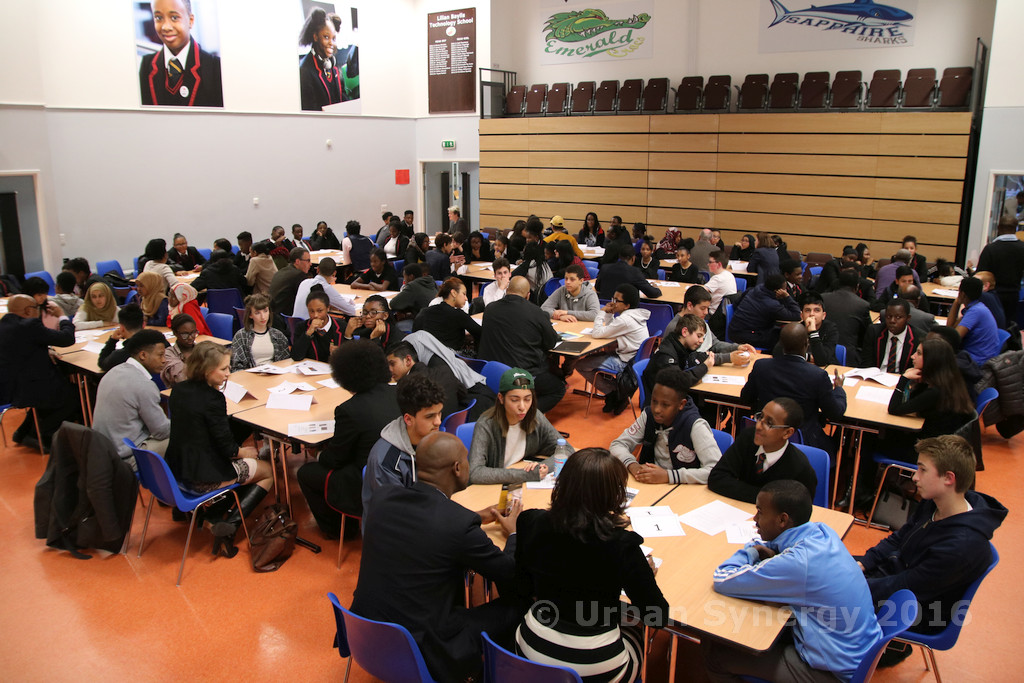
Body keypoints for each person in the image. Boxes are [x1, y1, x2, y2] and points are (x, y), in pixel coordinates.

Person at [352, 431, 518, 681]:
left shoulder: (382, 499)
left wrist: (474, 516)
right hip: (426, 647)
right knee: (518, 605)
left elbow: (426, 520)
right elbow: (508, 570)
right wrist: (513, 533)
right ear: (457, 468)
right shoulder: (457, 524)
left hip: (365, 634)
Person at [514, 447, 668, 682]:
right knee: (635, 632)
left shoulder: (530, 521)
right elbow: (656, 616)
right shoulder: (622, 546)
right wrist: (642, 575)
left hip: (531, 649)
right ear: (615, 495)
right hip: (596, 665)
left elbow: (523, 588)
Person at [703, 480, 881, 682]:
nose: (755, 519)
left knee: (717, 657)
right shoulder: (822, 531)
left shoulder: (798, 563)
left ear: (782, 519)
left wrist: (752, 551)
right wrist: (769, 550)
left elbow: (723, 578)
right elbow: (781, 548)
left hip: (831, 673)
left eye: (760, 512)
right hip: (856, 653)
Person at [857, 435, 1006, 658]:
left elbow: (907, 587)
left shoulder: (961, 547)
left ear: (948, 478)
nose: (915, 477)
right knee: (828, 570)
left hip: (919, 610)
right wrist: (864, 563)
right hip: (899, 576)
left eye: (923, 470)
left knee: (825, 599)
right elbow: (900, 537)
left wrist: (854, 586)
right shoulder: (936, 500)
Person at [165, 342, 273, 557]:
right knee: (268, 471)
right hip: (202, 477)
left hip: (175, 471)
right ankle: (227, 526)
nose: (228, 373)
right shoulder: (213, 398)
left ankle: (212, 513)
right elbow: (228, 449)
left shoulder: (178, 390)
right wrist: (244, 452)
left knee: (239, 434)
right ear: (206, 370)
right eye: (223, 369)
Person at [297, 341, 400, 539]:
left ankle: (336, 530)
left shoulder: (349, 410)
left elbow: (335, 459)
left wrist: (317, 453)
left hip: (367, 479)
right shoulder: (398, 392)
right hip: (399, 469)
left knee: (306, 473)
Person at [742, 322, 846, 454]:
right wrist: (839, 389)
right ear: (806, 344)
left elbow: (745, 398)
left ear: (781, 344)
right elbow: (835, 413)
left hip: (764, 436)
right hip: (802, 443)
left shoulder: (761, 366)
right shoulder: (817, 376)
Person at [612, 366, 722, 484]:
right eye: (654, 401)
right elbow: (617, 445)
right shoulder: (648, 416)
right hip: (653, 486)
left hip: (684, 488)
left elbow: (716, 471)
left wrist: (669, 476)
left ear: (681, 404)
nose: (657, 409)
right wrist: (632, 465)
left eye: (665, 405)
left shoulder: (696, 426)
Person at [875, 339, 976, 465]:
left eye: (919, 353)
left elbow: (894, 409)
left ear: (932, 359)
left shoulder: (935, 392)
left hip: (928, 453)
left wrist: (904, 379)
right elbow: (911, 402)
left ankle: (866, 477)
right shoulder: (947, 381)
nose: (913, 356)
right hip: (934, 444)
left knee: (870, 439)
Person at [361, 374, 447, 519]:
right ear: (408, 419)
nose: (438, 422)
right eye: (430, 416)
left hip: (429, 515)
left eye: (439, 413)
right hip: (396, 527)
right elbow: (397, 515)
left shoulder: (435, 440)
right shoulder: (385, 460)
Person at [0, 294, 78, 449]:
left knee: (51, 394)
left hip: (9, 387)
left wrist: (45, 349)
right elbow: (67, 338)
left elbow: (20, 346)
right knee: (75, 395)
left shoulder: (4, 324)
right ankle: (39, 433)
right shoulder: (30, 325)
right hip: (31, 386)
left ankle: (22, 431)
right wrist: (62, 316)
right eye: (36, 308)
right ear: (28, 310)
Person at [478, 276, 566, 413]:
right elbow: (550, 343)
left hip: (492, 371)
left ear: (507, 290)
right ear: (528, 295)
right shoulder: (536, 312)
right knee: (558, 388)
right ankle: (525, 414)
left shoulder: (490, 309)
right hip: (523, 373)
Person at [467, 367, 565, 484]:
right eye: (515, 400)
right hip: (494, 486)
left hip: (519, 481)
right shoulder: (486, 424)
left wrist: (544, 467)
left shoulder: (534, 416)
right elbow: (475, 472)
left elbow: (565, 450)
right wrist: (525, 474)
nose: (522, 407)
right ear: (501, 398)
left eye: (527, 399)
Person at [708, 399, 817, 503]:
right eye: (760, 417)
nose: (759, 426)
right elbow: (716, 478)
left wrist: (740, 489)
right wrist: (768, 498)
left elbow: (800, 507)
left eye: (769, 423)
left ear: (787, 433)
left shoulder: (800, 469)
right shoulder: (748, 438)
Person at [92, 329, 171, 469]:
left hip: (102, 453)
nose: (164, 360)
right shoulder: (143, 385)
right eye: (160, 355)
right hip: (126, 458)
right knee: (185, 435)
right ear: (143, 355)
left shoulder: (113, 371)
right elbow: (161, 431)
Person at [574, 284, 651, 409]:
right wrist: (609, 314)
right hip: (634, 358)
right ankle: (615, 390)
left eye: (617, 300)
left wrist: (601, 312)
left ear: (627, 305)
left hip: (625, 362)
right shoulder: (635, 315)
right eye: (613, 299)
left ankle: (613, 391)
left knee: (580, 365)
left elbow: (597, 333)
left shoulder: (625, 320)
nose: (613, 303)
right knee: (593, 358)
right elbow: (612, 329)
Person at [139, 0, 223, 107]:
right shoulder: (147, 65)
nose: (166, 27)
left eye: (174, 17)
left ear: (190, 21)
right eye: (158, 18)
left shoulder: (215, 67)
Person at [728, 273, 800, 349]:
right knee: (786, 338)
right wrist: (787, 297)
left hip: (735, 330)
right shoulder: (772, 305)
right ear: (777, 291)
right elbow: (797, 315)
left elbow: (735, 304)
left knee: (778, 331)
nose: (786, 291)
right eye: (784, 289)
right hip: (746, 336)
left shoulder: (754, 289)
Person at [772, 291, 839, 367]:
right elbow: (777, 353)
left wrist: (813, 332)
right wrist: (808, 357)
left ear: (823, 315)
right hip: (799, 366)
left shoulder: (831, 329)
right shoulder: (796, 329)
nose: (812, 314)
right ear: (802, 315)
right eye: (808, 310)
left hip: (826, 369)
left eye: (817, 310)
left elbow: (822, 361)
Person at [413, 277, 481, 351]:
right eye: (464, 294)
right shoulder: (458, 315)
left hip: (427, 353)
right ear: (454, 293)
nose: (466, 298)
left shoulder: (425, 311)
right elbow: (481, 332)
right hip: (451, 356)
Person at [821, 268, 872, 367]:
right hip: (849, 357)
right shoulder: (862, 305)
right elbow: (867, 334)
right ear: (857, 286)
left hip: (821, 350)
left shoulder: (822, 298)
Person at [976, 217, 1024, 321]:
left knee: (993, 323)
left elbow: (980, 275)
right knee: (1009, 325)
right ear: (1015, 229)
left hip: (992, 296)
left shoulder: (990, 249)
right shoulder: (1022, 248)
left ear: (999, 228)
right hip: (1014, 295)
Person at [947, 277, 1002, 366]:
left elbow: (954, 338)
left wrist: (957, 301)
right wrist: (956, 303)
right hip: (976, 356)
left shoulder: (975, 311)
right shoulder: (976, 307)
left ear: (962, 294)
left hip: (977, 361)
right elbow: (950, 328)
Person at [298, 8, 344, 111]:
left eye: (333, 38)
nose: (331, 43)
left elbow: (343, 98)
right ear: (315, 37)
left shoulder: (333, 66)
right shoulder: (305, 70)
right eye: (326, 37)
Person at [230, 293, 290, 371]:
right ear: (250, 315)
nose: (263, 317)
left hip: (274, 374)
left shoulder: (278, 335)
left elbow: (285, 362)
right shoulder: (241, 336)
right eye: (257, 313)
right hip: (250, 375)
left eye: (265, 311)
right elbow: (236, 367)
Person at [862, 298, 920, 374]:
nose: (892, 321)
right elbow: (866, 363)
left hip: (902, 378)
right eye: (889, 316)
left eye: (898, 317)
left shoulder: (918, 337)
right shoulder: (874, 332)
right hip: (876, 376)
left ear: (908, 318)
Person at [291, 256, 356, 318]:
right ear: (334, 273)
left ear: (318, 269)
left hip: (293, 322)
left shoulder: (304, 282)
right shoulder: (326, 287)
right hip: (309, 323)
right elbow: (351, 311)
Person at [291, 289, 344, 361]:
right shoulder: (302, 327)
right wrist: (308, 333)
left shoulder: (341, 326)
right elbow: (296, 356)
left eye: (320, 311)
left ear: (328, 308)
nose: (315, 315)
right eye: (311, 311)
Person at [595, 245, 663, 300]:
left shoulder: (605, 267)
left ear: (619, 256)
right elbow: (652, 293)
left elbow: (597, 287)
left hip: (604, 306)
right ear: (633, 258)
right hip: (625, 309)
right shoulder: (634, 272)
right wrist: (656, 288)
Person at [269, 247, 311, 326]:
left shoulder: (280, 272)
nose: (310, 264)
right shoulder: (299, 275)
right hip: (286, 320)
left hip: (273, 316)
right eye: (308, 261)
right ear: (297, 261)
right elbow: (309, 298)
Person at [98, 304, 146, 372]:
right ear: (143, 324)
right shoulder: (155, 343)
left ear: (122, 328)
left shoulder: (121, 355)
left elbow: (102, 362)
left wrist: (112, 340)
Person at [160, 313, 198, 387]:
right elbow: (182, 378)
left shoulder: (201, 350)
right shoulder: (168, 354)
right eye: (185, 334)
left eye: (193, 333)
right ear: (175, 333)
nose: (190, 337)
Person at [705, 250, 736, 315]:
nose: (708, 264)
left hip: (714, 314)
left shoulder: (717, 278)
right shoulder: (730, 275)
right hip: (726, 313)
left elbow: (700, 291)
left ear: (719, 264)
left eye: (710, 262)